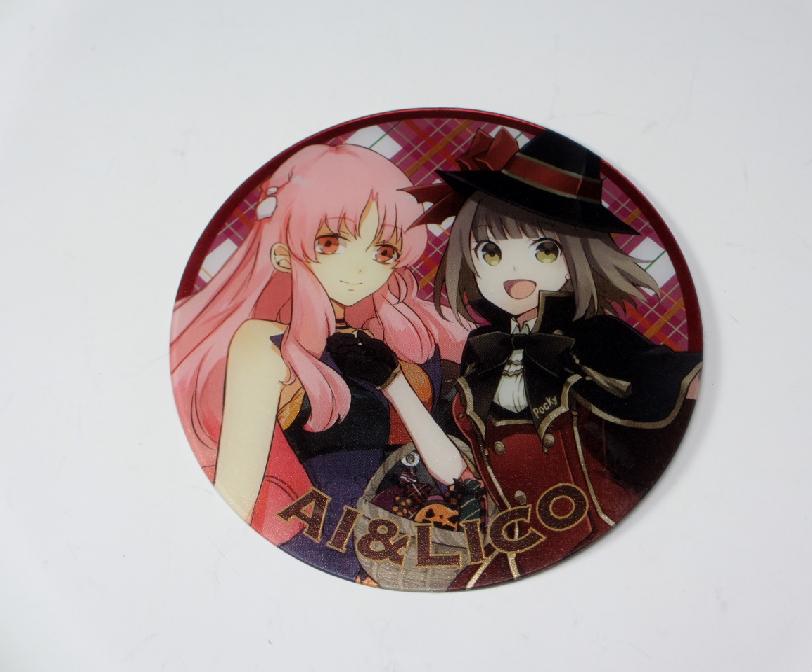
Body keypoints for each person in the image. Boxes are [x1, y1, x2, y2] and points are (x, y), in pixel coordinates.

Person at [405, 128, 703, 589]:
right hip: (514, 546)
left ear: (579, 256)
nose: (514, 270)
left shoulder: (597, 335)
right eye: (491, 252)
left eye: (543, 250)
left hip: (604, 539)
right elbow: (458, 465)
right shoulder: (481, 349)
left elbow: (667, 376)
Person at [170, 143, 467, 582]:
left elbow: (454, 471)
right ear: (283, 251)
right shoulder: (263, 344)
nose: (360, 268)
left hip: (420, 548)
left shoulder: (396, 338)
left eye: (383, 251)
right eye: (331, 242)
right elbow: (238, 490)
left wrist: (394, 383)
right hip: (323, 555)